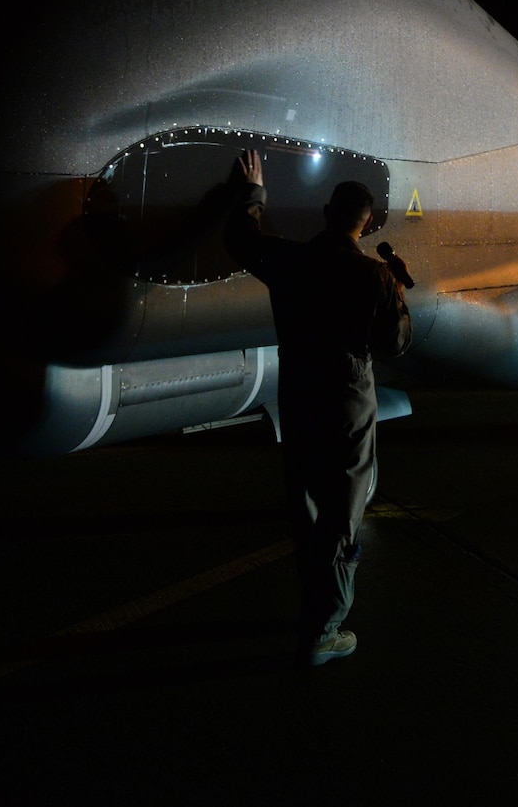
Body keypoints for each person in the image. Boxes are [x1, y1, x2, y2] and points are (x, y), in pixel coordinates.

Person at [224, 149, 412, 666]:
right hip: (349, 398)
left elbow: (243, 239)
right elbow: (395, 342)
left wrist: (253, 194)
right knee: (343, 511)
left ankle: (313, 606)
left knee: (306, 503)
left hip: (299, 392)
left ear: (329, 210)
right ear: (367, 222)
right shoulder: (374, 276)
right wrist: (397, 289)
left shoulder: (291, 260)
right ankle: (326, 627)